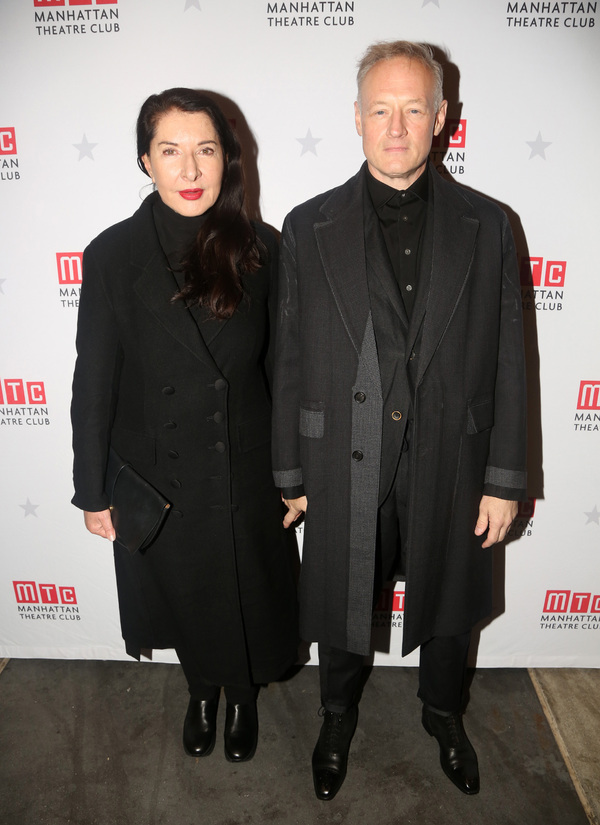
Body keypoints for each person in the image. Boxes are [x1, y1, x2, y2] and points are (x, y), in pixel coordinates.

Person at [272, 41, 527, 800]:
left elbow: (513, 358)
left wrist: (505, 477)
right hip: (344, 453)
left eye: (414, 107)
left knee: (450, 606)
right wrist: (290, 472)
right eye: (380, 108)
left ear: (442, 117)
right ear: (356, 118)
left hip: (456, 452)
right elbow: (288, 359)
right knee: (344, 594)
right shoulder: (306, 224)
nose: (396, 125)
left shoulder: (491, 224)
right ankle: (337, 711)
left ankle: (444, 712)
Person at [71, 88, 297, 764]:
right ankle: (203, 690)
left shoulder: (265, 249)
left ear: (228, 159)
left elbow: (286, 374)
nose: (190, 168)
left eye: (205, 150)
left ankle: (244, 696)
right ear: (145, 160)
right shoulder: (111, 255)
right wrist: (92, 488)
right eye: (171, 151)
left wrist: (294, 473)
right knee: (185, 593)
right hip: (156, 471)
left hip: (246, 466)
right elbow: (95, 379)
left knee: (247, 592)